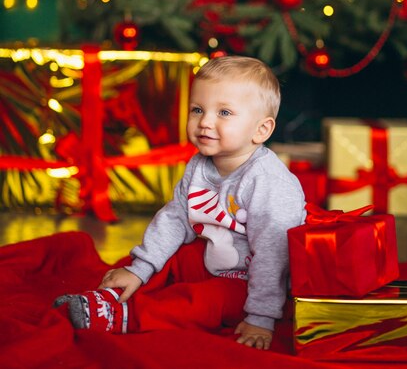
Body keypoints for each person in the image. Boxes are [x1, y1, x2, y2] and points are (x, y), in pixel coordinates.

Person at [55, 55, 306, 350]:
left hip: (252, 283)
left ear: (261, 130)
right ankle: (120, 291)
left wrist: (261, 317)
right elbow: (176, 218)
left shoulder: (269, 182)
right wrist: (142, 267)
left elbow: (273, 256)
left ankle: (127, 316)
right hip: (212, 260)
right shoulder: (200, 165)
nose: (205, 122)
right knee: (172, 257)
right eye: (197, 109)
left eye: (224, 112)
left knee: (204, 301)